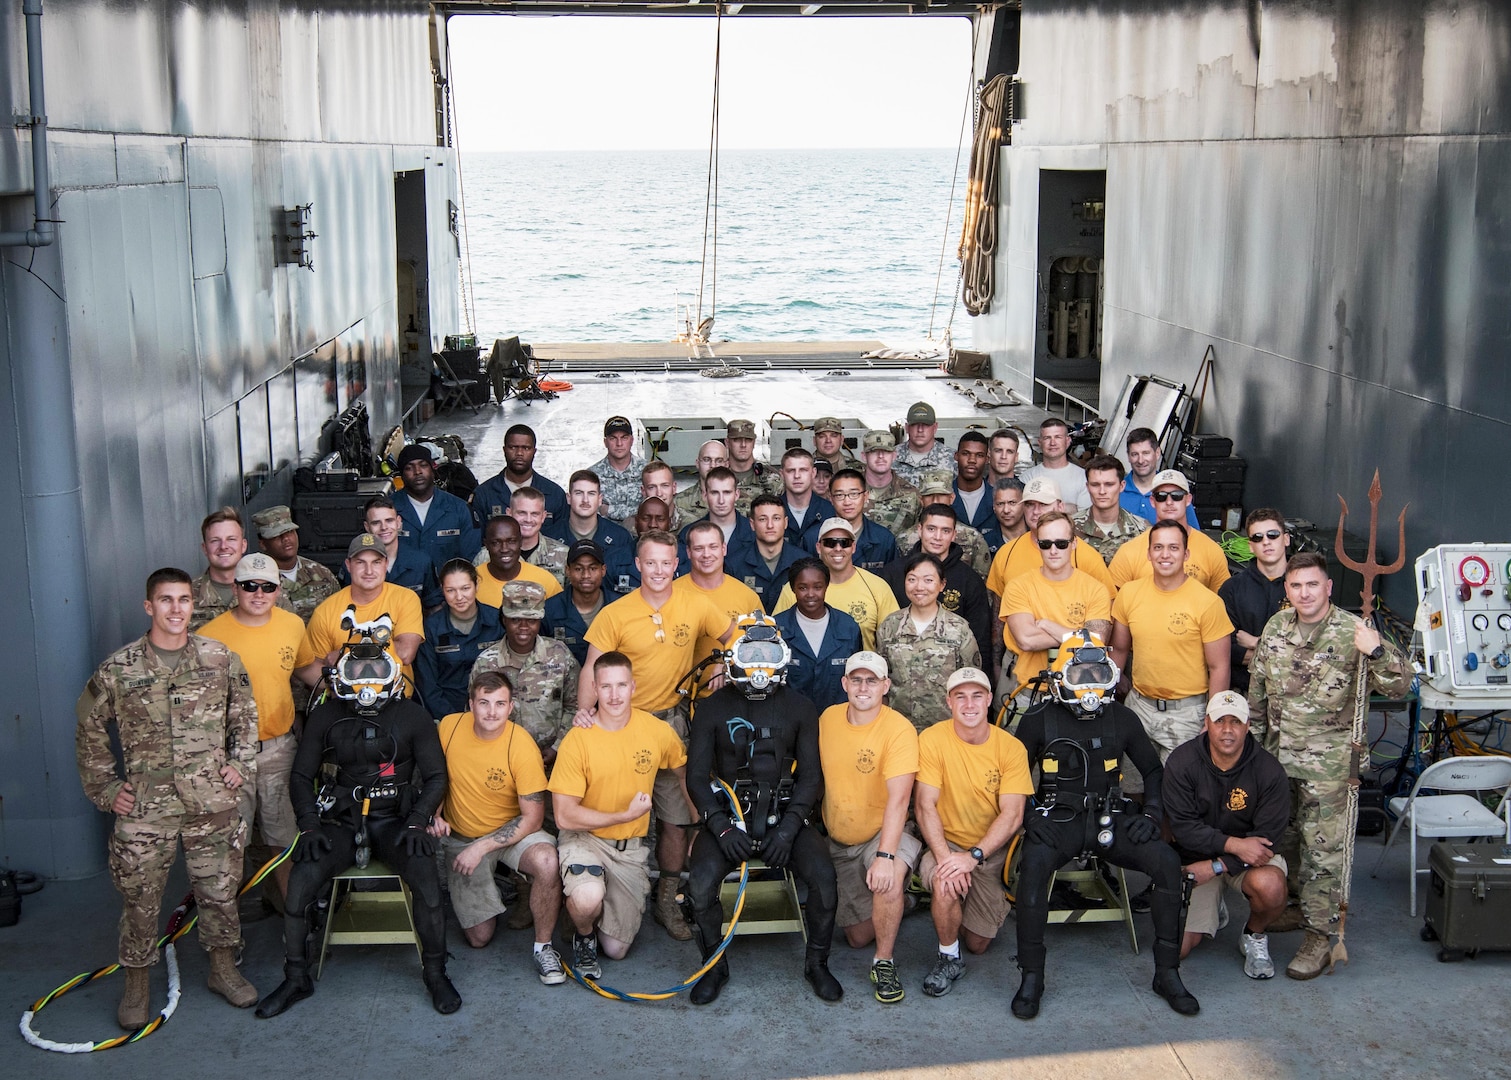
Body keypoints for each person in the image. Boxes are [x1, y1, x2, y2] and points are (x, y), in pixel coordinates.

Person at [76, 567, 260, 1027]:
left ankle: (222, 968)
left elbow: (245, 717)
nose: (176, 609)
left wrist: (239, 766)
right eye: (166, 600)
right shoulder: (119, 669)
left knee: (218, 889)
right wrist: (107, 788)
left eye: (183, 600)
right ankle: (136, 982)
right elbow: (89, 730)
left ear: (191, 605)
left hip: (210, 800)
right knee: (139, 896)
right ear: (149, 606)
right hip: (146, 807)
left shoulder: (220, 659)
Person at [255, 617, 457, 1018]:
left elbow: (436, 776)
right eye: (357, 670)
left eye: (376, 669)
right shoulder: (326, 716)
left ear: (394, 673)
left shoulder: (413, 717)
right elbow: (301, 776)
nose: (366, 680)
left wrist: (418, 819)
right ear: (340, 675)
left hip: (398, 820)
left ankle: (435, 972)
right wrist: (310, 825)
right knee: (298, 884)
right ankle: (296, 977)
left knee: (428, 881)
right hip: (341, 820)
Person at [1010, 634, 1199, 1019]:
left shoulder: (1121, 717)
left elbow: (1152, 770)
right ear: (1060, 676)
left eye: (1098, 671)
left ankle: (1167, 973)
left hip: (1111, 818)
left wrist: (1150, 815)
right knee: (1032, 869)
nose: (1090, 682)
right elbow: (1012, 777)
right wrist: (1029, 818)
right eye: (1080, 672)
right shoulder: (1037, 718)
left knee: (1165, 862)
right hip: (1057, 821)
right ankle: (1031, 976)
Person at [1247, 551, 1411, 980]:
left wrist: (1375, 651)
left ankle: (1321, 936)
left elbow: (1401, 684)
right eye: (1296, 585)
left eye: (1312, 584)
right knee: (1283, 843)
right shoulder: (1276, 627)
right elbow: (1259, 694)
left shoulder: (1352, 631)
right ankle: (1294, 908)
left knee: (1323, 851)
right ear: (1287, 589)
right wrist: (1253, 754)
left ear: (1328, 587)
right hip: (1278, 761)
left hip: (1331, 768)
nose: (1304, 593)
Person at [578, 531, 735, 941]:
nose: (660, 570)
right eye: (651, 563)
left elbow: (735, 637)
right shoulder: (616, 613)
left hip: (671, 724)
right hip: (620, 723)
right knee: (609, 806)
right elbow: (591, 669)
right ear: (637, 565)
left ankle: (667, 901)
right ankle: (596, 892)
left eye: (667, 563)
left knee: (676, 820)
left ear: (676, 564)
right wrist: (584, 713)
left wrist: (722, 663)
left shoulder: (696, 602)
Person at [683, 615, 843, 1004]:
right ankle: (714, 966)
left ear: (783, 658)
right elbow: (695, 777)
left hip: (786, 817)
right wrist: (720, 826)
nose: (759, 665)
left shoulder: (801, 708)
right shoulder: (711, 708)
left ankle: (817, 964)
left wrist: (789, 829)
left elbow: (810, 777)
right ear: (733, 658)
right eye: (750, 654)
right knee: (699, 887)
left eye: (767, 654)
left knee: (824, 881)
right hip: (728, 819)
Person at [550, 652, 690, 975]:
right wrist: (624, 815)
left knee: (616, 950)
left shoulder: (656, 731)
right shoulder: (578, 739)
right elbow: (565, 817)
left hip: (629, 851)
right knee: (586, 898)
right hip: (584, 839)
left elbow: (683, 774)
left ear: (633, 687)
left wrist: (697, 829)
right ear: (595, 690)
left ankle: (585, 913)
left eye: (621, 686)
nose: (614, 695)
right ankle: (583, 930)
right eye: (606, 687)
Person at [430, 671, 565, 984]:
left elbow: (532, 817)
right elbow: (435, 778)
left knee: (547, 861)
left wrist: (483, 847)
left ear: (511, 706)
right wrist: (433, 815)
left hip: (510, 833)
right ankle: (504, 890)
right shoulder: (448, 728)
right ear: (471, 704)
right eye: (484, 703)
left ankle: (544, 948)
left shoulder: (521, 745)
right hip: (463, 836)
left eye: (500, 704)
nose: (491, 711)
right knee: (479, 938)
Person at [914, 667, 1032, 995]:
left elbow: (1013, 814)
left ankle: (959, 909)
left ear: (990, 699)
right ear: (948, 701)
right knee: (944, 881)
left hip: (990, 853)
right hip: (947, 843)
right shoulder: (932, 739)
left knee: (978, 943)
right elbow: (925, 806)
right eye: (961, 696)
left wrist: (974, 856)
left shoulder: (1010, 747)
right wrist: (947, 859)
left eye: (977, 695)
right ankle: (948, 957)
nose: (969, 704)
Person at [199, 554, 306, 902]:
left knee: (284, 841)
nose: (258, 593)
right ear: (235, 588)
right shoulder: (207, 637)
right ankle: (226, 935)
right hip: (228, 757)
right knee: (228, 848)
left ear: (278, 590)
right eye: (249, 586)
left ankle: (293, 922)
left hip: (280, 749)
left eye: (267, 587)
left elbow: (307, 670)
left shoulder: (293, 625)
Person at [817, 652, 921, 1004]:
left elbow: (899, 800)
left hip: (884, 832)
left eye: (872, 680)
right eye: (856, 679)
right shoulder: (828, 719)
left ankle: (885, 962)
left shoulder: (899, 730)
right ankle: (903, 903)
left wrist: (885, 855)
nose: (863, 687)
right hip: (841, 839)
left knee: (887, 877)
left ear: (885, 686)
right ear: (844, 683)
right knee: (858, 936)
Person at [1164, 691, 1290, 979]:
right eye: (1220, 721)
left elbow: (1266, 842)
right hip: (1198, 858)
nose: (1228, 730)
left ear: (1247, 726)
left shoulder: (1269, 770)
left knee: (1270, 886)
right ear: (1207, 722)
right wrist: (1232, 845)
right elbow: (1183, 828)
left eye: (1236, 722)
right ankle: (1214, 907)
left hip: (1249, 862)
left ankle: (1254, 935)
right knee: (1176, 950)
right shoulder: (1183, 762)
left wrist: (1218, 866)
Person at [1110, 520, 1233, 789]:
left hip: (1186, 714)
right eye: (1159, 547)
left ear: (1186, 554)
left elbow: (1220, 667)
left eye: (1174, 548)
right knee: (1132, 789)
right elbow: (1119, 650)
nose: (1165, 554)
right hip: (1138, 709)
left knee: (1182, 794)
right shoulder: (1129, 594)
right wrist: (1105, 702)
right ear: (1149, 553)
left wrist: (1213, 718)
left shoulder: (1208, 602)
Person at [1001, 511, 1114, 710]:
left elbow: (1096, 643)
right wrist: (1078, 635)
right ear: (1038, 545)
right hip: (1030, 691)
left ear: (1074, 543)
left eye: (1061, 543)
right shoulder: (1018, 586)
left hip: (1079, 694)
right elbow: (1026, 640)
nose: (1053, 550)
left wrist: (1048, 625)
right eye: (1046, 544)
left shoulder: (1095, 589)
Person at [294, 532, 425, 693]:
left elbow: (405, 653)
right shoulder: (326, 610)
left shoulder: (405, 598)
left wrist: (345, 654)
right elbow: (308, 667)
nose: (369, 571)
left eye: (376, 562)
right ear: (348, 565)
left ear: (385, 564)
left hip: (395, 700)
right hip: (344, 704)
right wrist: (340, 688)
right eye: (360, 562)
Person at [472, 581, 581, 767]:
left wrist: (558, 747)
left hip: (555, 761)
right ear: (504, 619)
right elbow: (475, 714)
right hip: (502, 761)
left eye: (531, 620)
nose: (524, 627)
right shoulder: (486, 662)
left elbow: (575, 706)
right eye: (515, 620)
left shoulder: (560, 655)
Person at [875, 553, 982, 732]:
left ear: (942, 585)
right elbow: (880, 679)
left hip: (946, 730)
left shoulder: (959, 629)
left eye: (928, 580)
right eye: (912, 579)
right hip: (898, 730)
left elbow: (971, 679)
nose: (919, 587)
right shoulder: (890, 626)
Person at [886, 501, 994, 660]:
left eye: (945, 531)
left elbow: (981, 639)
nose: (937, 537)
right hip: (900, 671)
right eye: (931, 529)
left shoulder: (969, 580)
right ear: (919, 530)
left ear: (954, 535)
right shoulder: (893, 573)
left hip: (950, 675)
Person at [772, 518, 899, 651]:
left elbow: (892, 641)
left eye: (845, 543)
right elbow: (777, 636)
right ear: (818, 547)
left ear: (854, 547)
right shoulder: (796, 588)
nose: (838, 549)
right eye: (830, 543)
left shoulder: (877, 587)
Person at [986, 478, 1115, 600]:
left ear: (1060, 507)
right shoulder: (1006, 553)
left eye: (1043, 504)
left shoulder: (1086, 556)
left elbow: (1108, 604)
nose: (1036, 511)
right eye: (1030, 504)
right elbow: (998, 609)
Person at [675, 521, 763, 695]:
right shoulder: (673, 593)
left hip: (735, 697)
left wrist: (727, 663)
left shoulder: (746, 596)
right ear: (688, 552)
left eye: (713, 547)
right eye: (699, 548)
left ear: (724, 549)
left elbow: (761, 648)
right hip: (683, 699)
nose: (706, 554)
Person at [1108, 471, 1231, 591]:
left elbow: (1222, 602)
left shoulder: (1212, 551)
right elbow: (1114, 603)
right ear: (1152, 501)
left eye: (1176, 495)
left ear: (1188, 499)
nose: (1169, 502)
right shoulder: (1129, 551)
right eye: (1161, 496)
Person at [413, 559, 503, 719]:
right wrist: (452, 719)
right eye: (450, 590)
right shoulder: (432, 627)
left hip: (493, 713)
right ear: (442, 590)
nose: (459, 597)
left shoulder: (496, 621)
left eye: (465, 588)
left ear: (477, 585)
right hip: (445, 713)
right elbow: (427, 685)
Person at [772, 558, 864, 711]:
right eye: (802, 588)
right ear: (793, 588)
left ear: (826, 587)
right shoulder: (775, 630)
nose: (810, 594)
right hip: (790, 723)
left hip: (838, 721)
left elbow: (857, 677)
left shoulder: (848, 627)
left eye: (817, 587)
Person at [1218, 509, 1290, 694]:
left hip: (1294, 695)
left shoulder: (1304, 587)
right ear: (1250, 545)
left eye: (1273, 535)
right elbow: (1225, 649)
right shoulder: (1232, 588)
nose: (1266, 541)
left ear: (1286, 539)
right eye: (1257, 537)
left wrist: (1256, 643)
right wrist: (1286, 656)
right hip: (1245, 693)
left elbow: (1314, 645)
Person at [391, 444, 481, 573]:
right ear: (402, 475)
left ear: (433, 470)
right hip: (401, 590)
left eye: (423, 465)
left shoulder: (459, 510)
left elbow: (471, 559)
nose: (417, 471)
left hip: (448, 590)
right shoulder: (388, 511)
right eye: (409, 468)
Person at [896, 472, 992, 579]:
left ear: (952, 498)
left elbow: (981, 582)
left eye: (942, 495)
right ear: (920, 499)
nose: (935, 501)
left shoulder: (973, 538)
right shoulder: (903, 539)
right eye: (929, 496)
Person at [252, 505, 338, 622]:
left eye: (290, 532)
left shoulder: (322, 573)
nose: (286, 539)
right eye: (277, 535)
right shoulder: (255, 583)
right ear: (263, 544)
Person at [470, 423, 569, 526]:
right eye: (513, 447)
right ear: (504, 450)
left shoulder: (555, 494)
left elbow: (561, 537)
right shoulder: (484, 494)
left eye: (526, 448)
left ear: (534, 452)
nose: (519, 453)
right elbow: (478, 538)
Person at [724, 493, 807, 611]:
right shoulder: (733, 565)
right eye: (763, 519)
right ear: (752, 524)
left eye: (776, 518)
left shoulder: (804, 563)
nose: (770, 525)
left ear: (786, 523)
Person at [360, 495, 441, 611]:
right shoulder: (357, 566)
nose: (384, 527)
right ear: (367, 527)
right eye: (376, 523)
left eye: (389, 520)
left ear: (398, 523)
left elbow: (434, 608)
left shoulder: (421, 562)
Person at [603, 498, 690, 597]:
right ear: (636, 522)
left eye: (660, 519)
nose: (652, 525)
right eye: (646, 518)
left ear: (670, 523)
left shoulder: (687, 559)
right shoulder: (614, 560)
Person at [1073, 454, 1150, 563]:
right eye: (1095, 485)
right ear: (1087, 487)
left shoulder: (1142, 529)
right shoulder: (1069, 528)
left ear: (1122, 486)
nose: (1102, 491)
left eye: (1109, 484)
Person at [474, 515, 562, 610]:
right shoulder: (472, 581)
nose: (504, 549)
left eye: (511, 541)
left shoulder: (545, 580)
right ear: (486, 545)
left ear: (520, 542)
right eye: (496, 543)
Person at [543, 538, 608, 665]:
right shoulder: (549, 610)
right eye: (578, 569)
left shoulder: (618, 606)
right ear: (568, 571)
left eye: (593, 568)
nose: (586, 575)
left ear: (603, 570)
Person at [1121, 426, 1200, 527]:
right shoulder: (1116, 491)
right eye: (1135, 454)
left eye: (1146, 453)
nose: (1140, 460)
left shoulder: (1176, 492)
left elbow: (1194, 535)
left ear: (1157, 453)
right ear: (1128, 456)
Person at [545, 470, 635, 557]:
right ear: (569, 498)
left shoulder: (620, 537)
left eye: (591, 493)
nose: (585, 500)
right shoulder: (549, 537)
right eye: (579, 493)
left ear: (600, 499)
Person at [827, 467, 898, 572]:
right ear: (830, 498)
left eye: (854, 494)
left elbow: (893, 581)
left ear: (865, 496)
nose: (847, 502)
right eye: (839, 495)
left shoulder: (884, 539)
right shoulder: (814, 537)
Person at [189, 507, 249, 631]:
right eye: (215, 541)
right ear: (205, 548)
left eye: (231, 539)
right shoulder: (186, 596)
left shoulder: (265, 591)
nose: (223, 546)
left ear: (243, 546)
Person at [861, 429, 922, 541]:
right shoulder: (851, 492)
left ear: (894, 455)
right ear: (864, 456)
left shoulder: (912, 495)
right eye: (874, 451)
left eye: (886, 451)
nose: (880, 456)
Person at [678, 466, 755, 551]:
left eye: (727, 492)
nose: (721, 500)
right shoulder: (688, 535)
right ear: (705, 495)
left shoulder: (755, 532)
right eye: (714, 493)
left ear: (736, 495)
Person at [588, 415, 647, 522]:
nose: (619, 444)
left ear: (632, 440)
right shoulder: (592, 475)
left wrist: (608, 510)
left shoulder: (647, 471)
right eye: (613, 438)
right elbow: (587, 511)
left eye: (624, 438)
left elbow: (655, 508)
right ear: (605, 442)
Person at [1022, 418, 1089, 511]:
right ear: (1040, 443)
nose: (1052, 443)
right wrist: (1070, 508)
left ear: (1068, 441)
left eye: (1058, 437)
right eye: (1047, 438)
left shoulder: (1083, 478)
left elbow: (1084, 516)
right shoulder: (1027, 478)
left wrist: (1045, 509)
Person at [507, 487, 569, 585]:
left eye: (534, 514)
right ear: (509, 513)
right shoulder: (488, 556)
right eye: (522, 513)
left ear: (543, 517)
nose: (528, 519)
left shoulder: (564, 555)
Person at [778, 447, 834, 550]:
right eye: (791, 471)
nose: (797, 476)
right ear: (782, 474)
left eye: (803, 470)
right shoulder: (772, 512)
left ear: (813, 473)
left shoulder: (831, 512)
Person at [724, 417, 783, 513]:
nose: (743, 445)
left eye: (748, 440)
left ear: (754, 442)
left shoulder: (772, 478)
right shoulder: (717, 477)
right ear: (727, 443)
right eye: (737, 439)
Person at [892, 401, 956, 486]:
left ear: (935, 427)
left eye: (926, 425)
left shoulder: (953, 459)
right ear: (907, 427)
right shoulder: (890, 457)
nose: (920, 430)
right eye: (915, 424)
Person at [673, 439, 728, 523]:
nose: (712, 465)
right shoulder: (679, 502)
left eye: (719, 461)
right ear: (697, 463)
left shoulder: (741, 500)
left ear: (726, 465)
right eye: (707, 459)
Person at [950, 431, 994, 533]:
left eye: (979, 455)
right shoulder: (943, 496)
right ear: (956, 456)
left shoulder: (997, 499)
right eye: (966, 454)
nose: (972, 460)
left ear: (987, 459)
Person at [625, 460, 683, 534]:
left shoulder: (689, 523)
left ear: (674, 488)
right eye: (652, 487)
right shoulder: (629, 525)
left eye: (665, 486)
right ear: (643, 491)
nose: (659, 493)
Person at [983, 476, 1027, 554]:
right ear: (994, 507)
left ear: (1025, 504)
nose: (1006, 510)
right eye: (1000, 504)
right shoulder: (985, 543)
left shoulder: (1038, 537)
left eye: (1012, 503)